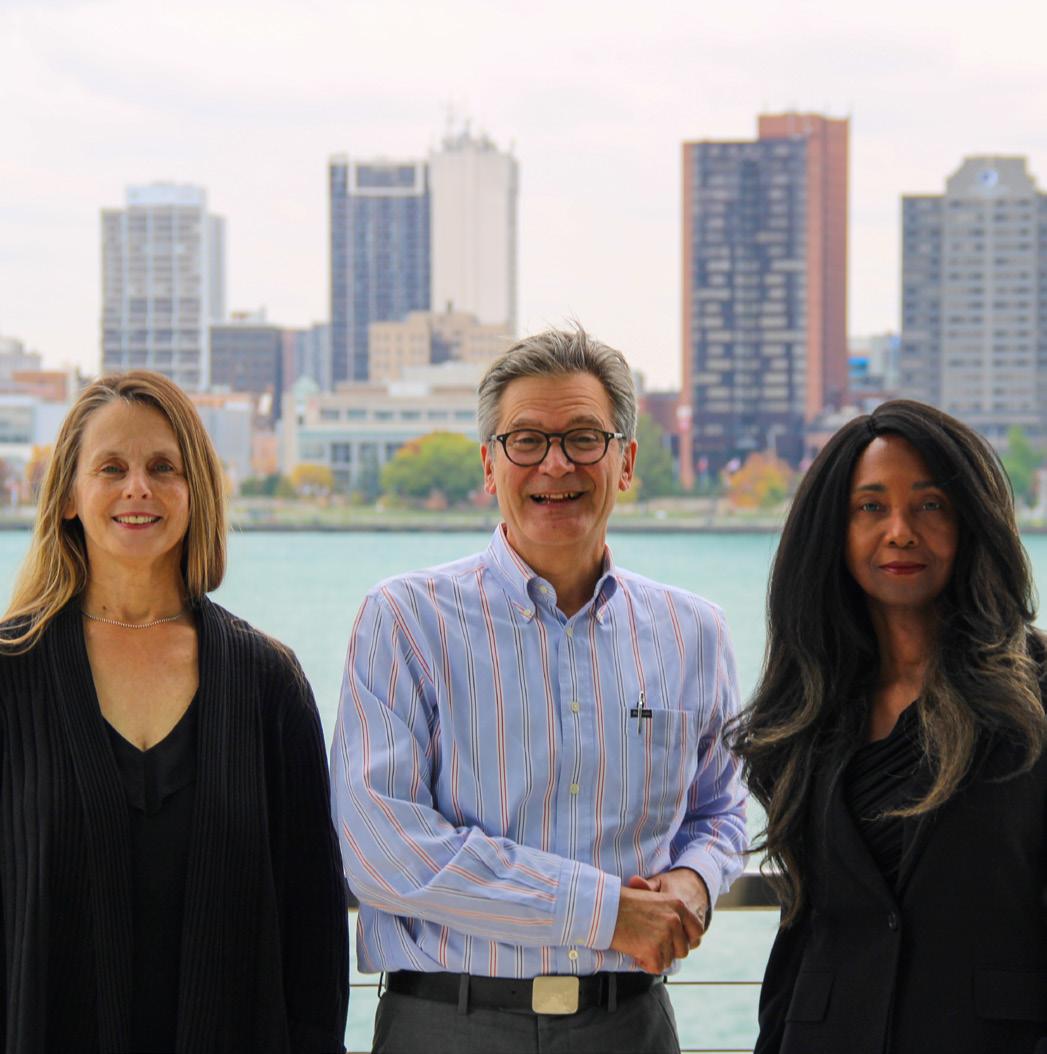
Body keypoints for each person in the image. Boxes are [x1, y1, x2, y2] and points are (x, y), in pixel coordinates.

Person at [331, 327, 747, 1054]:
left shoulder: (694, 633)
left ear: (625, 462)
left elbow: (721, 810)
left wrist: (695, 880)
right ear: (490, 465)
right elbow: (382, 850)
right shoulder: (404, 620)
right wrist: (604, 912)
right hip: (448, 1025)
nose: (556, 463)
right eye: (526, 440)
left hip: (631, 1025)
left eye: (584, 438)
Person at [0, 371, 349, 1053]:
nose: (138, 487)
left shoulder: (269, 685)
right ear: (68, 496)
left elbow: (314, 933)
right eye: (111, 468)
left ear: (196, 493)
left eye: (164, 467)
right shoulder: (10, 676)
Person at [730, 400, 1047, 1054]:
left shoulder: (1035, 692)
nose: (900, 532)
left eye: (930, 505)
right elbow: (805, 930)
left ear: (970, 521)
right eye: (870, 507)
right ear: (834, 529)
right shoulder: (809, 708)